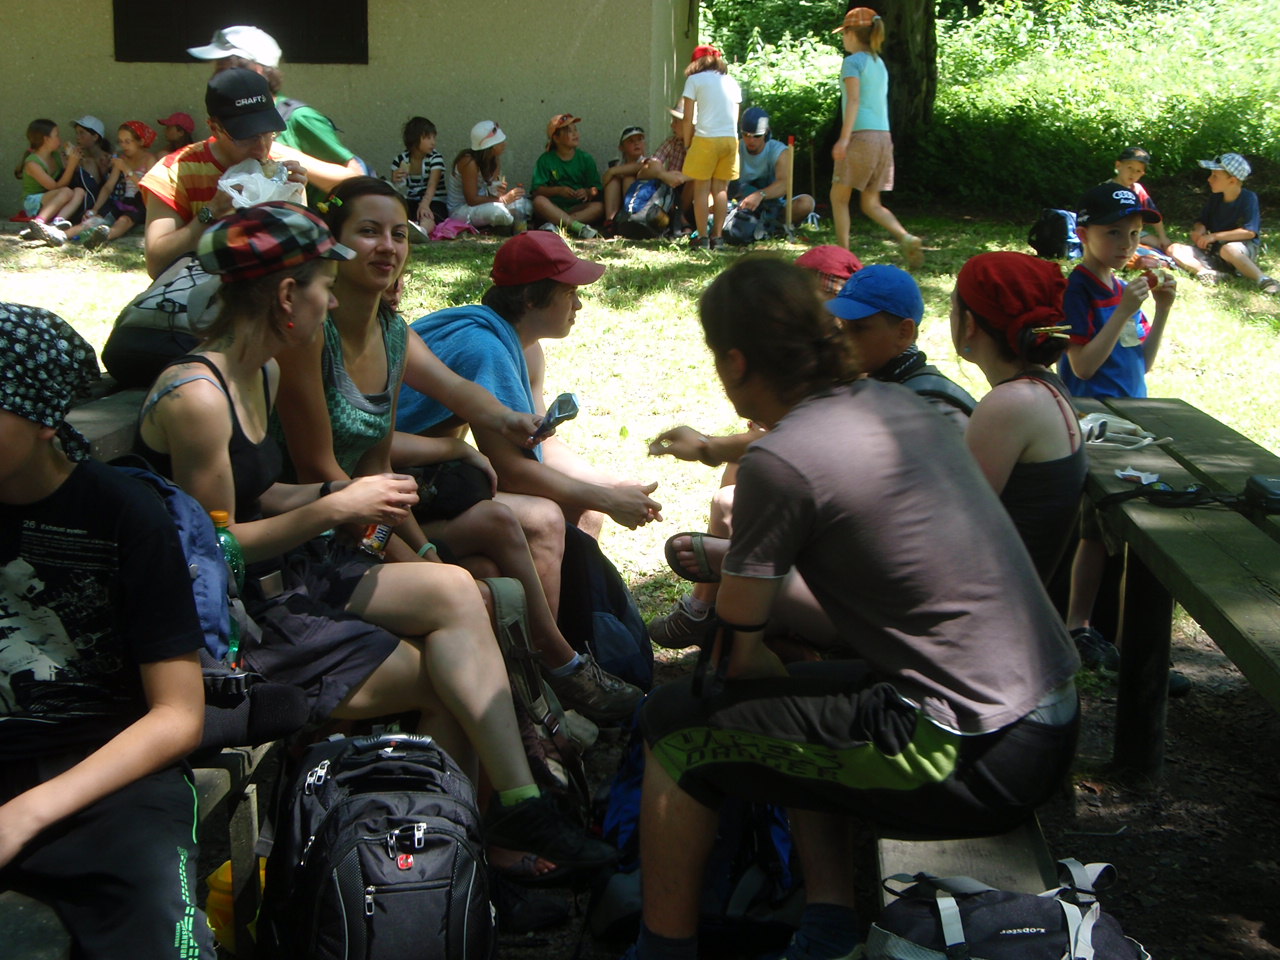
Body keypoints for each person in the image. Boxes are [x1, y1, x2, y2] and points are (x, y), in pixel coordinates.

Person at [134, 202, 616, 873]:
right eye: (325, 287)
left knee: (458, 590)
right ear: (286, 295)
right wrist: (337, 505)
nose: (332, 302)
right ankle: (463, 849)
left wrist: (339, 497)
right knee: (451, 679)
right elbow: (215, 552)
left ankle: (510, 808)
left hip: (288, 573)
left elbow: (262, 493)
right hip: (234, 628)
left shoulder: (259, 371)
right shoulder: (199, 398)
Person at [627, 257, 1078, 960]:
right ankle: (826, 926)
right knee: (798, 704)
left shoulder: (780, 462)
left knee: (674, 727)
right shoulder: (901, 406)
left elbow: (737, 659)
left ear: (737, 362)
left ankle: (664, 951)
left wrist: (753, 647)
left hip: (972, 751)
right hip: (1044, 713)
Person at [272, 177, 641, 724]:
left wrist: (505, 424)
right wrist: (420, 557)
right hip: (321, 532)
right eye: (369, 231)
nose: (388, 247)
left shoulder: (391, 333)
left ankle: (546, 687)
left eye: (399, 234)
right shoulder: (311, 339)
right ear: (335, 243)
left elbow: (415, 428)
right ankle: (548, 689)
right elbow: (330, 477)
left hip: (380, 507)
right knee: (507, 548)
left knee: (497, 542)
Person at [0, 303, 215, 959]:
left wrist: (28, 812)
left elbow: (178, 715)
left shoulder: (123, 515)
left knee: (164, 934)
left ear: (42, 418)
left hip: (108, 774)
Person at [647, 262, 974, 649]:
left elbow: (802, 453)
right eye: (841, 327)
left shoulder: (925, 403)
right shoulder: (883, 392)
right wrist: (709, 447)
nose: (846, 339)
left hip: (917, 633)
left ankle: (734, 573)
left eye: (860, 329)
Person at [98, 68, 356, 390]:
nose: (261, 148)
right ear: (214, 127)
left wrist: (295, 201)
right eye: (247, 137)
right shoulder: (174, 172)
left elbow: (303, 261)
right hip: (204, 316)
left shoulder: (279, 161)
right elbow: (157, 263)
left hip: (273, 307)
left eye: (268, 133)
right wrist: (211, 212)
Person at [396, 230, 663, 537]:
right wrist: (608, 499)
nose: (578, 305)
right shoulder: (485, 349)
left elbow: (540, 445)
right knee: (546, 517)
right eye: (569, 292)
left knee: (587, 512)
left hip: (437, 469)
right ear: (530, 298)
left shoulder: (527, 349)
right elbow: (512, 471)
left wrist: (612, 485)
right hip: (399, 473)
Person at [1058, 182, 1181, 678]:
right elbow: (1083, 366)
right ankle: (1080, 627)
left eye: (1132, 234)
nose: (1126, 244)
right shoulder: (1080, 288)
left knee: (1131, 534)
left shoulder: (1122, 288)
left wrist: (1162, 309)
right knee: (1097, 532)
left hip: (1132, 421)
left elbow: (1142, 362)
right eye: (1113, 233)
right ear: (1084, 232)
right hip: (1095, 424)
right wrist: (1126, 310)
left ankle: (1130, 643)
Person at [952, 252, 1085, 583]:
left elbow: (954, 526)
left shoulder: (1010, 405)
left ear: (969, 324)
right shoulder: (1044, 385)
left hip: (998, 602)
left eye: (953, 307)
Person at [187, 24, 367, 201]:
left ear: (258, 71)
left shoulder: (298, 117)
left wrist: (285, 157)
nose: (217, 80)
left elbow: (356, 178)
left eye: (224, 69)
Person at [830, 8, 923, 269]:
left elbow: (854, 101)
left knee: (838, 198)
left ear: (851, 33)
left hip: (860, 137)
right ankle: (906, 237)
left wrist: (844, 139)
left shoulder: (853, 62)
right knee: (871, 203)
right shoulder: (878, 63)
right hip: (883, 138)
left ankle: (844, 256)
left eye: (844, 33)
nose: (843, 38)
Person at [1167, 152, 1277, 294]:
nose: (1209, 179)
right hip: (1215, 253)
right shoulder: (1216, 198)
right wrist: (1199, 230)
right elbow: (1202, 221)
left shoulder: (1248, 198)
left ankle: (1263, 280)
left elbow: (1249, 232)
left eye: (1215, 176)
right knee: (1174, 248)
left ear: (1232, 180)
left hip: (1239, 252)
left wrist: (1214, 236)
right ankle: (1207, 273)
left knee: (1228, 249)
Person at [55, 121, 158, 250]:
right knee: (96, 219)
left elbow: (149, 190)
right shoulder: (122, 159)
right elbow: (108, 187)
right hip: (122, 201)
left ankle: (104, 236)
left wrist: (127, 170)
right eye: (120, 142)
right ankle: (61, 235)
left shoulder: (149, 159)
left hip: (141, 203)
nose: (123, 145)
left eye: (128, 141)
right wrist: (95, 209)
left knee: (124, 220)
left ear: (141, 142)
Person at [679, 46, 742, 249]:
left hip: (706, 139)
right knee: (721, 189)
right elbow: (735, 116)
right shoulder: (730, 81)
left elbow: (688, 117)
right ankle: (718, 237)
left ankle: (703, 237)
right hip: (730, 139)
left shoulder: (694, 80)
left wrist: (687, 143)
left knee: (701, 189)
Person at [730, 107, 814, 227]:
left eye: (757, 136)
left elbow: (785, 184)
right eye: (746, 135)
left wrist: (759, 195)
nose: (751, 140)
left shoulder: (780, 151)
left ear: (766, 133)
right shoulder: (735, 148)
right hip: (740, 203)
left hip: (773, 205)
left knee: (806, 203)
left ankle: (775, 225)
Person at [446, 120, 531, 230]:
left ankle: (508, 221)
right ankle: (510, 222)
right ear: (492, 146)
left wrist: (498, 191)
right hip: (461, 210)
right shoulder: (469, 163)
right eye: (501, 142)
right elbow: (472, 200)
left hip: (484, 204)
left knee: (525, 205)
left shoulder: (495, 160)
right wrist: (503, 199)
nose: (505, 144)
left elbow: (492, 194)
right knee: (499, 212)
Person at [531, 113, 603, 238]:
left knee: (599, 207)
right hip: (553, 208)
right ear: (556, 138)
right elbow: (537, 191)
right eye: (569, 131)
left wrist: (587, 192)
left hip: (577, 208)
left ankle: (559, 225)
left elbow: (596, 189)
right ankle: (577, 227)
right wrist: (558, 191)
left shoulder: (585, 158)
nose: (575, 134)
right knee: (539, 201)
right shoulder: (546, 160)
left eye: (575, 130)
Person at [13, 119, 84, 239]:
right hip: (33, 202)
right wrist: (71, 166)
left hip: (52, 197)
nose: (60, 139)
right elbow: (55, 187)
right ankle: (38, 223)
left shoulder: (55, 156)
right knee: (66, 191)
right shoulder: (32, 163)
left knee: (79, 191)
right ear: (46, 139)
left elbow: (68, 171)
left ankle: (57, 222)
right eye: (57, 135)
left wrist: (74, 158)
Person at [389, 116, 448, 233]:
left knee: (428, 215)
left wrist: (424, 204)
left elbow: (432, 185)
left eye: (434, 138)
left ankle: (422, 231)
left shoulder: (435, 158)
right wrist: (395, 180)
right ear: (415, 139)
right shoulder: (401, 159)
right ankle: (402, 231)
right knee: (397, 211)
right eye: (428, 138)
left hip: (433, 200)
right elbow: (398, 187)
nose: (433, 142)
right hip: (412, 200)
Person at [1109, 146, 1170, 252]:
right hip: (1111, 233)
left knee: (1162, 246)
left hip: (1135, 232)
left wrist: (1163, 237)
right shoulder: (1106, 189)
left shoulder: (1137, 189)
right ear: (1118, 165)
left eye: (1138, 171)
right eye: (1130, 168)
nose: (1133, 173)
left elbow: (1155, 214)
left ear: (1142, 174)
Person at [602, 125, 650, 228]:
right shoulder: (617, 164)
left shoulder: (647, 162)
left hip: (642, 205)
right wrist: (612, 172)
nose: (636, 143)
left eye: (640, 140)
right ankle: (610, 221)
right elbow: (604, 182)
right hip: (618, 204)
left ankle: (631, 218)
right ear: (621, 147)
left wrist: (613, 171)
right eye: (631, 141)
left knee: (629, 179)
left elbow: (641, 167)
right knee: (613, 181)